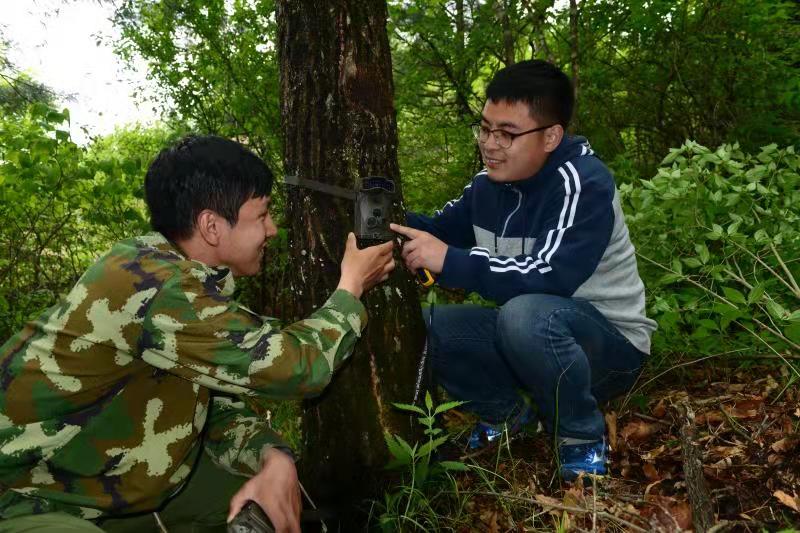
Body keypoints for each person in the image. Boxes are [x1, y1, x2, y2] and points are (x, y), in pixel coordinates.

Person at [0, 135, 395, 532]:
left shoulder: (172, 273)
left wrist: (274, 457)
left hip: (99, 481)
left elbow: (214, 402)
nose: (272, 230)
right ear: (211, 226)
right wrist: (351, 286)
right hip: (24, 495)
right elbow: (300, 368)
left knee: (274, 504)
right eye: (261, 215)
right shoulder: (157, 287)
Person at [391, 59, 657, 481]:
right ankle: (506, 417)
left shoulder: (582, 182)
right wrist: (386, 218)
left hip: (609, 349)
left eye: (508, 134)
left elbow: (551, 276)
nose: (490, 144)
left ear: (551, 135)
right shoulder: (487, 186)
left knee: (525, 315)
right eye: (485, 128)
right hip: (531, 339)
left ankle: (581, 438)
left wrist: (452, 261)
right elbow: (438, 229)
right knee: (427, 326)